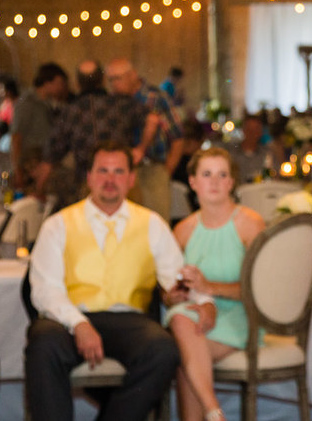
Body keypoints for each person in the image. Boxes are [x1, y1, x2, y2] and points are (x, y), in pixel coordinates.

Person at [26, 141, 206, 420]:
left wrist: (183, 295)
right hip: (71, 319)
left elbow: (176, 279)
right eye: (102, 171)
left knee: (163, 350)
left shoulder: (152, 223)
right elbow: (44, 290)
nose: (110, 180)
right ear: (89, 177)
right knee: (42, 342)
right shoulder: (58, 224)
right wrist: (79, 324)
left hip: (129, 321)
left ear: (131, 179)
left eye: (118, 172)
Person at [166, 147, 265, 421]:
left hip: (238, 318)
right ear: (193, 182)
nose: (214, 181)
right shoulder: (183, 230)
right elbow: (170, 289)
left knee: (184, 355)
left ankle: (213, 412)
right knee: (183, 326)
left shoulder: (249, 224)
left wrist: (211, 287)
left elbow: (261, 290)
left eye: (222, 175)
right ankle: (214, 411)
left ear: (231, 183)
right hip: (194, 317)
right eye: (206, 174)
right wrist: (172, 296)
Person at [35, 60, 158, 207]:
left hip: (88, 186)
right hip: (123, 184)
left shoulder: (71, 111)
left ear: (77, 83)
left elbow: (49, 159)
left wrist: (38, 191)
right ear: (103, 80)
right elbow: (153, 119)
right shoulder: (123, 104)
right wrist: (141, 149)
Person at [105, 58, 183, 219]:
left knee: (156, 223)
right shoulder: (111, 102)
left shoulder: (156, 97)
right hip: (122, 172)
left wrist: (166, 171)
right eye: (110, 80)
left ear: (132, 75)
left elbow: (177, 137)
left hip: (152, 169)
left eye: (118, 78)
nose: (114, 84)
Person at [10, 62, 69, 192]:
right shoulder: (26, 104)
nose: (62, 88)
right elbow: (16, 137)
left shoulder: (50, 104)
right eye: (59, 83)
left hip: (45, 161)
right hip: (31, 162)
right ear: (48, 83)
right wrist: (17, 170)